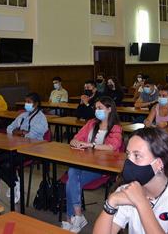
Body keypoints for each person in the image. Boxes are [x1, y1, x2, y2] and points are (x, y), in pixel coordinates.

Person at [93, 127, 168, 234]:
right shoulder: (129, 189)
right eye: (128, 155)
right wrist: (111, 202)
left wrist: (141, 203)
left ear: (159, 164)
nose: (129, 162)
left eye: (137, 156)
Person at [62, 96, 123, 233]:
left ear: (109, 109)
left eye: (100, 108)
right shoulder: (91, 123)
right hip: (84, 163)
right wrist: (75, 142)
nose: (97, 111)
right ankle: (76, 216)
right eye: (96, 108)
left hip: (102, 168)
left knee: (71, 180)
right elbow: (77, 138)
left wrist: (91, 145)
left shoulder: (116, 127)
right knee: (72, 173)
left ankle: (71, 217)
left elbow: (113, 146)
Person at [0, 92, 48, 203]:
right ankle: (14, 183)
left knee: (7, 164)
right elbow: (9, 128)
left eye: (29, 102)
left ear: (36, 104)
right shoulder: (23, 115)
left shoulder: (41, 118)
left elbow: (32, 135)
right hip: (17, 146)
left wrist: (20, 133)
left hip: (33, 149)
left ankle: (14, 183)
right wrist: (20, 132)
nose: (26, 104)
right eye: (25, 102)